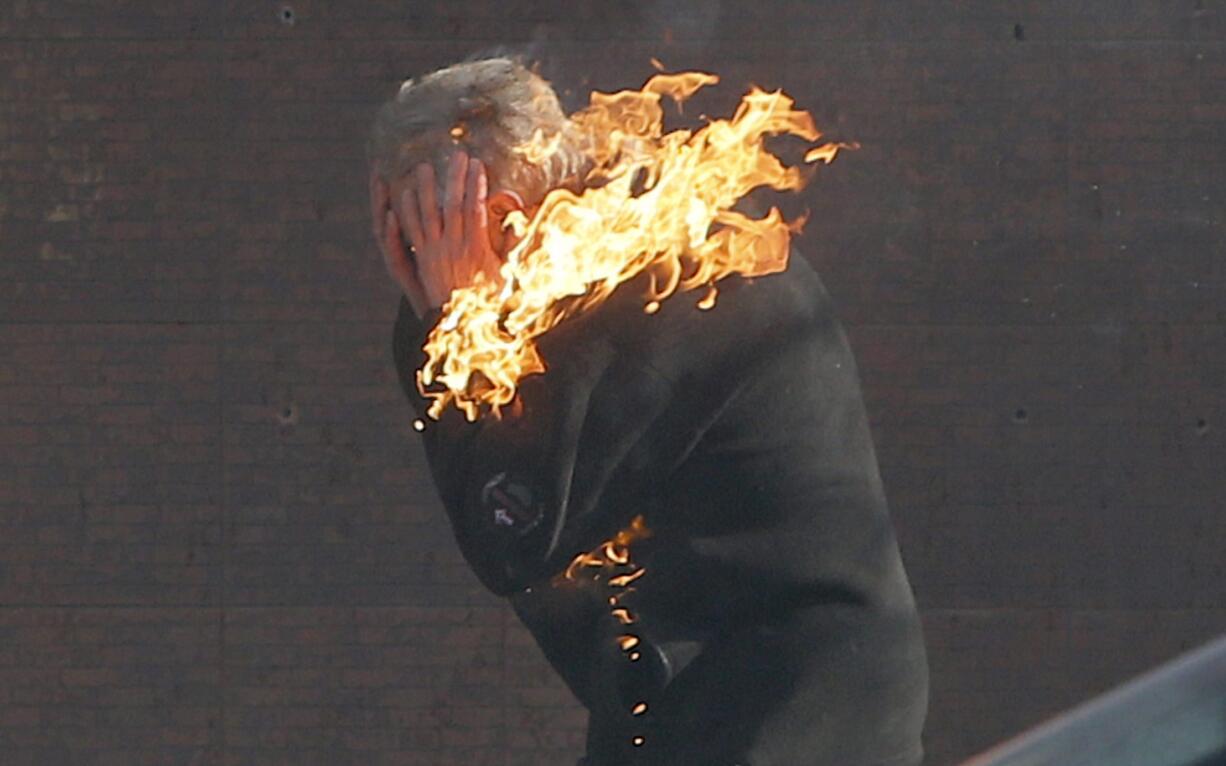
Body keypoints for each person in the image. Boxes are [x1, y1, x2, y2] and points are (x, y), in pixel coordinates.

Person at [368, 57, 929, 766]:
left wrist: (454, 323)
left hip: (789, 714)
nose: (410, 266)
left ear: (498, 219)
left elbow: (514, 534)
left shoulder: (667, 287)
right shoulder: (554, 280)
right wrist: (444, 330)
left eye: (416, 234)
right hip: (679, 699)